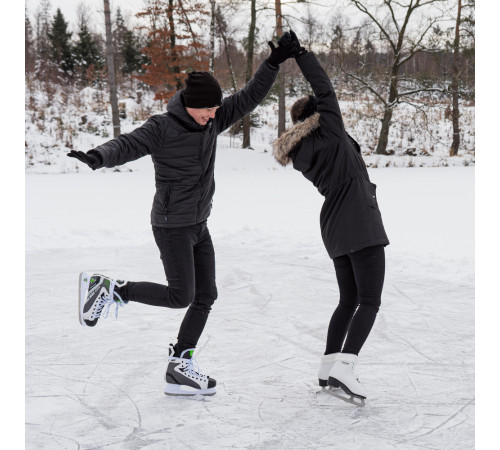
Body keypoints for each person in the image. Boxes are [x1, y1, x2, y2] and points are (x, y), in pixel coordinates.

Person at [68, 33, 299, 397]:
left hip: (199, 224)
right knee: (181, 295)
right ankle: (111, 290)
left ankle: (180, 366)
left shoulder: (211, 121)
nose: (213, 115)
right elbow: (128, 143)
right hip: (171, 225)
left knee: (206, 294)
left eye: (215, 109)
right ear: (190, 105)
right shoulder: (163, 128)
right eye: (207, 109)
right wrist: (98, 156)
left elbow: (250, 97)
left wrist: (272, 63)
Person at [272, 32, 389, 400]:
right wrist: (301, 55)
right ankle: (346, 367)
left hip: (334, 227)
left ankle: (327, 368)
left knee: (348, 300)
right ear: (318, 116)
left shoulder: (302, 150)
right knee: (368, 301)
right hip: (359, 221)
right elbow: (325, 87)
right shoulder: (331, 131)